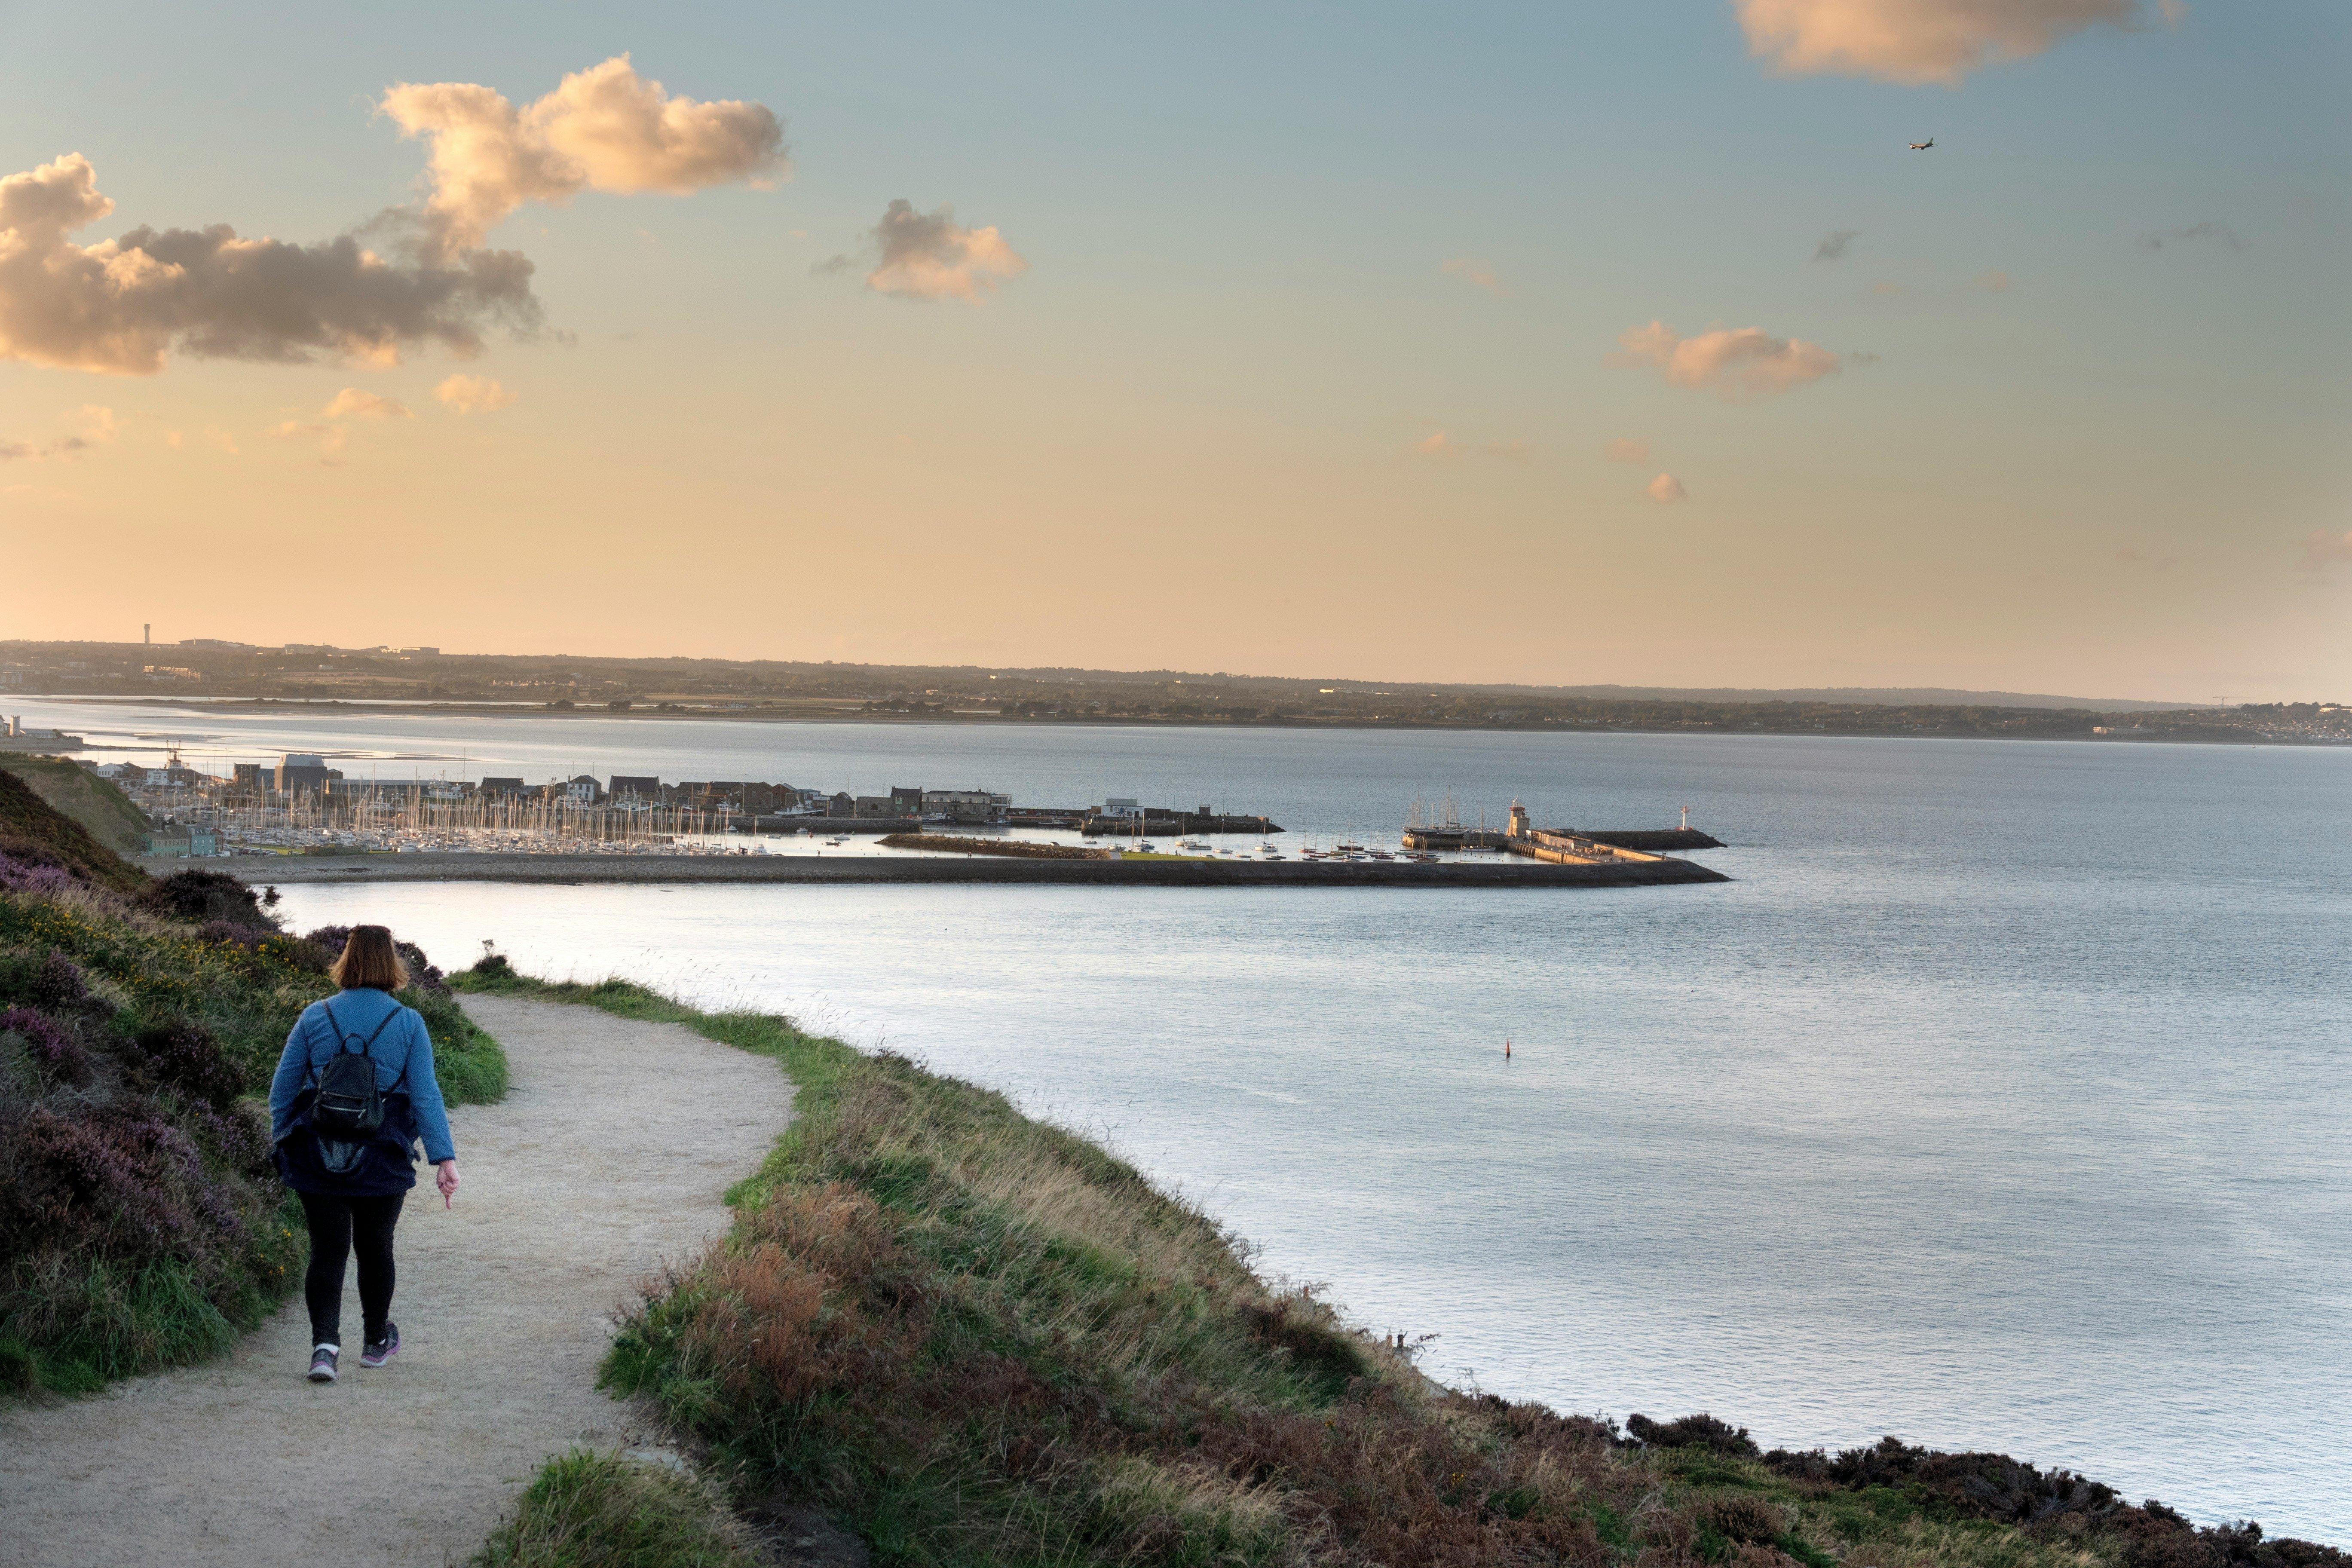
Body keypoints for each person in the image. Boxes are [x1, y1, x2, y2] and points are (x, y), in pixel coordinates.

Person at [269, 925, 459, 1383]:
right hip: (384, 1151)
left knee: (327, 1252)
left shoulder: (315, 1017)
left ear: (347, 960)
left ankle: (324, 1350)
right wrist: (444, 1159)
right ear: (391, 963)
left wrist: (283, 1140)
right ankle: (375, 1342)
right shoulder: (409, 1023)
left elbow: (282, 1089)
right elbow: (427, 1096)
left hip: (318, 1151)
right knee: (376, 1249)